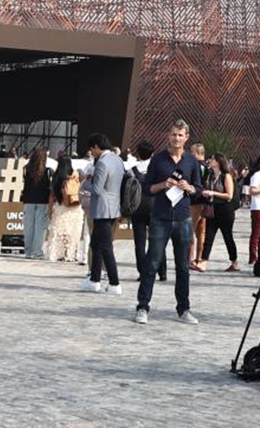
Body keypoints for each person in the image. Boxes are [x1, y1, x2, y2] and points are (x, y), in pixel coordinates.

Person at [135, 118, 204, 326]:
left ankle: (183, 308)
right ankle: (143, 306)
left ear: (187, 138)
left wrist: (189, 188)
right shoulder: (158, 159)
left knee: (183, 266)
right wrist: (163, 184)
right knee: (152, 263)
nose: (176, 138)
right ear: (169, 135)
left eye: (180, 135)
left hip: (183, 217)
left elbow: (199, 189)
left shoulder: (192, 161)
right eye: (173, 134)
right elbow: (147, 188)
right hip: (160, 217)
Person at [81, 133, 123, 294]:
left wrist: (84, 183)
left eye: (92, 150)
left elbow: (97, 190)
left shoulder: (102, 163)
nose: (92, 153)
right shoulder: (117, 159)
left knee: (105, 247)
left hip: (102, 209)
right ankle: (94, 280)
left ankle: (114, 283)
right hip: (114, 207)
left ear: (97, 147)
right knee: (96, 244)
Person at [127, 141, 165, 281]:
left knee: (140, 242)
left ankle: (143, 272)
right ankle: (162, 271)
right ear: (153, 153)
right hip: (156, 206)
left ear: (138, 153)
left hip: (138, 207)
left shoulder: (132, 170)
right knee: (157, 239)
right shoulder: (157, 168)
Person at [200, 153, 238, 272]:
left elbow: (229, 195)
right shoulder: (210, 175)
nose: (210, 161)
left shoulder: (226, 176)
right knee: (209, 236)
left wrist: (213, 193)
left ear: (218, 162)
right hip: (212, 208)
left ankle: (234, 261)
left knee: (227, 236)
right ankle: (204, 261)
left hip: (225, 209)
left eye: (212, 159)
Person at [20, 146, 51, 260]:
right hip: (42, 200)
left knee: (28, 226)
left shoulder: (26, 169)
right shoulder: (47, 170)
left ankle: (28, 250)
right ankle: (37, 251)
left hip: (28, 199)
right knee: (40, 227)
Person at [188, 142, 209, 270]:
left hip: (195, 200)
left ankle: (190, 259)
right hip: (205, 200)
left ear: (196, 153)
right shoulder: (208, 166)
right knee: (201, 232)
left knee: (190, 230)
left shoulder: (195, 165)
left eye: (191, 152)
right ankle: (199, 257)